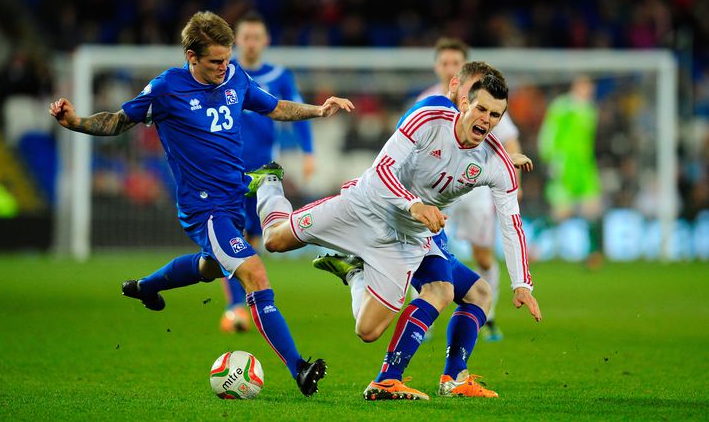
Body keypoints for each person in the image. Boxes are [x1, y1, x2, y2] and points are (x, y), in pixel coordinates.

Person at [48, 10, 354, 397]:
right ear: (191, 57)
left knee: (210, 267)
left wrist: (318, 110)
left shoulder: (235, 77)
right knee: (255, 274)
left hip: (235, 197)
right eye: (215, 62)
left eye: (227, 59)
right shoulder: (165, 89)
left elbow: (274, 107)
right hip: (204, 208)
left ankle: (146, 287)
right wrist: (75, 122)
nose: (223, 68)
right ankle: (299, 368)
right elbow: (116, 121)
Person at [247, 70, 542, 401]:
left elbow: (511, 222)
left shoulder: (496, 162)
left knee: (368, 331)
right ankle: (269, 182)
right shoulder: (429, 116)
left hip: (406, 240)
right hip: (364, 207)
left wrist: (522, 284)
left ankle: (358, 278)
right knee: (274, 239)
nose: (487, 120)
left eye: (495, 115)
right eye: (482, 110)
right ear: (463, 103)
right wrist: (415, 205)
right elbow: (383, 169)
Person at [419, 38, 525, 342]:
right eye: (445, 62)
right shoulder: (427, 100)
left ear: (463, 67)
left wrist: (513, 182)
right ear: (437, 66)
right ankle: (427, 316)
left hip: (474, 186)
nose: (449, 67)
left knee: (483, 256)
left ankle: (486, 317)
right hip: (438, 188)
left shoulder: (482, 101)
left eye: (456, 62)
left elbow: (509, 140)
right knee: (426, 250)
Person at [219, 11, 317, 334]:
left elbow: (294, 107)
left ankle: (245, 301)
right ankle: (235, 308)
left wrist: (309, 152)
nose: (250, 43)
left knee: (255, 239)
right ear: (237, 41)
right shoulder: (223, 72)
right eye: (245, 37)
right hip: (227, 167)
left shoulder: (279, 75)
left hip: (263, 171)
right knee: (230, 236)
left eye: (256, 37)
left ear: (265, 41)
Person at [537, 75, 602, 266]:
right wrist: (549, 159)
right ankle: (531, 245)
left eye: (590, 87)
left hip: (585, 168)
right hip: (564, 166)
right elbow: (548, 133)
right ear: (576, 86)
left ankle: (592, 255)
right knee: (561, 214)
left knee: (593, 209)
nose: (588, 91)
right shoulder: (561, 107)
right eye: (585, 86)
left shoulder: (591, 110)